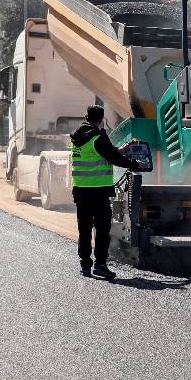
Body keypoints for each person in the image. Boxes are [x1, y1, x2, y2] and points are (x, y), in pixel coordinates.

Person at [71, 105, 145, 279]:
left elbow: (104, 153)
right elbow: (114, 158)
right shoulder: (98, 137)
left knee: (84, 229)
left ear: (86, 117)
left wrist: (124, 148)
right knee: (103, 229)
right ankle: (101, 265)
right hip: (98, 192)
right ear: (102, 119)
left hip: (81, 191)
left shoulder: (77, 138)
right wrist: (136, 164)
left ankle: (85, 266)